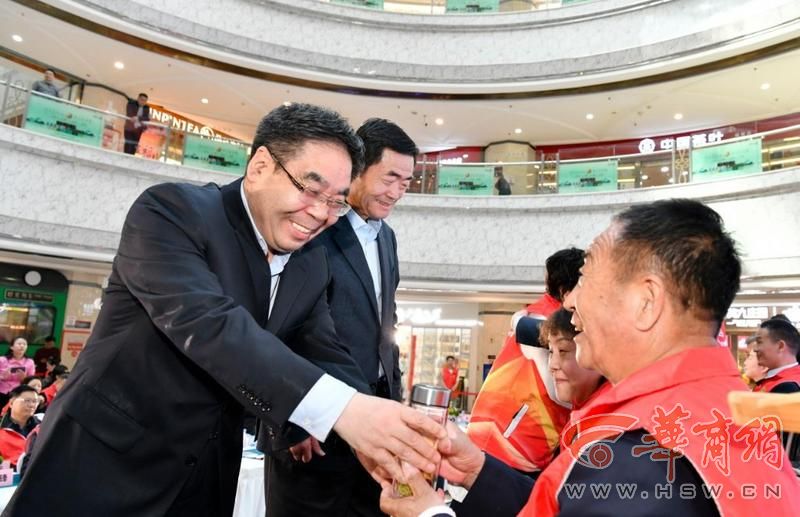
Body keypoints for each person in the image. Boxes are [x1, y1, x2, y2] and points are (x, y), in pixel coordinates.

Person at [4, 103, 446, 516]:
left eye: (336, 201)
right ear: (260, 167)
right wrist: (346, 412)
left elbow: (323, 349)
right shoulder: (172, 212)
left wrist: (380, 428)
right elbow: (211, 325)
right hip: (103, 466)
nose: (321, 214)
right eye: (311, 190)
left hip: (207, 476)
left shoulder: (310, 262)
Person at [379, 199, 800, 516]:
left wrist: (428, 514)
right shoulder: (720, 414)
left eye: (585, 276)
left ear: (646, 302)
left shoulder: (642, 455)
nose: (570, 301)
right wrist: (477, 469)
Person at [262, 117, 417, 517]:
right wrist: (292, 423)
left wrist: (394, 404)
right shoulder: (314, 225)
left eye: (406, 183)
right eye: (390, 178)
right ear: (358, 170)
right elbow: (285, 327)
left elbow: (386, 329)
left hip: (374, 426)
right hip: (315, 427)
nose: (397, 192)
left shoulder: (387, 237)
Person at [466, 248, 583, 476]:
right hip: (509, 439)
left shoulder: (536, 318)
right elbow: (559, 390)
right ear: (566, 290)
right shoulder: (543, 323)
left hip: (512, 437)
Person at [752, 317, 800, 462]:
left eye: (759, 342)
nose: (755, 348)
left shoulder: (787, 387)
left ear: (780, 346)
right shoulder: (781, 381)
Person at [0, 385, 41, 467]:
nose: (32, 405)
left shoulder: (42, 426)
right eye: (27, 401)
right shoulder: (2, 429)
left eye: (35, 401)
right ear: (11, 403)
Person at [0, 338, 36, 409]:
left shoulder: (30, 362)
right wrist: (2, 377)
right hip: (2, 392)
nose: (22, 346)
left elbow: (32, 381)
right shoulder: (2, 360)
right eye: (19, 344)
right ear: (11, 347)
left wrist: (24, 379)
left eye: (24, 344)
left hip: (19, 394)